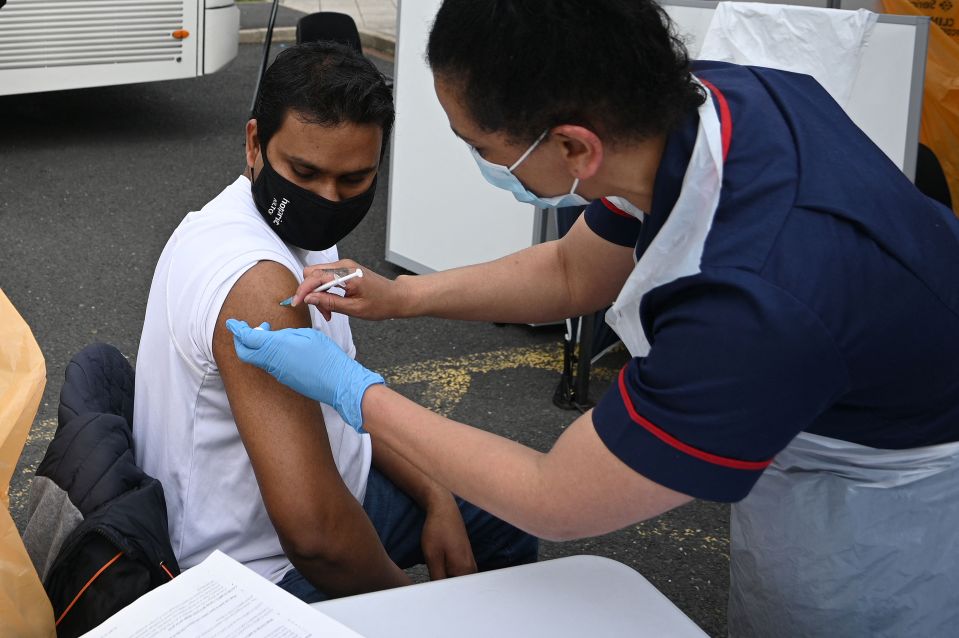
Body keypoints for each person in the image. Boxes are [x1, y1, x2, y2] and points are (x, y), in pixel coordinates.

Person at [228, 0, 959, 634]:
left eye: (482, 148)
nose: (479, 161)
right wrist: (402, 296)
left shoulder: (751, 302)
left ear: (575, 145)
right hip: (844, 373)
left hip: (889, 492)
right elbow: (573, 269)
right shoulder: (692, 110)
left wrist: (352, 389)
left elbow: (555, 498)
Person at [132, 41, 536, 603]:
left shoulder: (296, 228)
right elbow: (317, 538)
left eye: (353, 180)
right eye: (306, 171)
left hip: (342, 488)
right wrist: (426, 616)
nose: (327, 198)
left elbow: (350, 403)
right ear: (253, 143)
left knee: (502, 507)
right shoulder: (256, 282)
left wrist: (438, 493)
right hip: (253, 568)